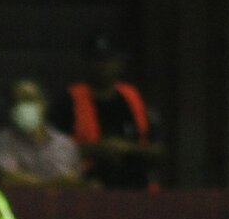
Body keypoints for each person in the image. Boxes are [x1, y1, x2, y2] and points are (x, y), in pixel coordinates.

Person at [49, 35, 163, 190]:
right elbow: (51, 151)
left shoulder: (132, 97)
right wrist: (100, 149)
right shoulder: (69, 100)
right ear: (87, 63)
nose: (103, 66)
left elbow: (156, 149)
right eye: (97, 60)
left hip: (136, 184)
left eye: (108, 60)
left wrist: (126, 148)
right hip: (88, 185)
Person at [0, 79, 85, 190]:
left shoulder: (65, 144)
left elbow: (75, 182)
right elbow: (7, 179)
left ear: (44, 103)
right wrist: (53, 183)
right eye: (16, 102)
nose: (22, 106)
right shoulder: (3, 141)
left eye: (28, 100)